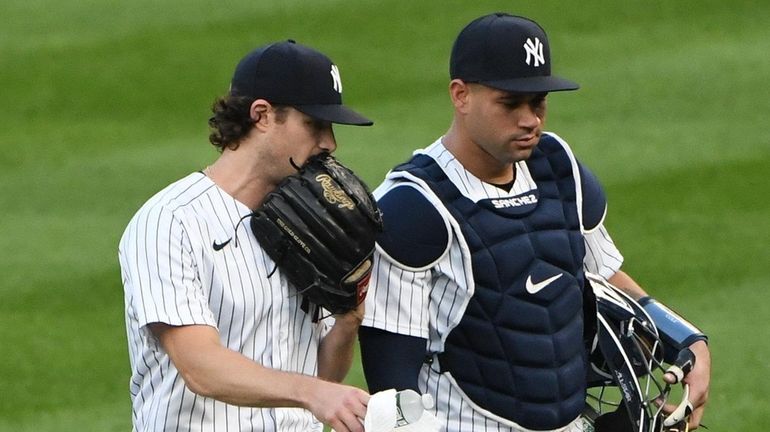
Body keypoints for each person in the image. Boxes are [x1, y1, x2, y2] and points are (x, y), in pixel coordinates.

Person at [358, 13, 711, 432]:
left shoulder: (558, 168)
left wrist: (687, 340)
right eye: (510, 104)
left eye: (538, 101)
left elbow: (606, 278)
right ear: (460, 95)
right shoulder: (412, 208)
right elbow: (393, 387)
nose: (531, 120)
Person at [118, 40, 374, 432]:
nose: (330, 143)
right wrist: (311, 392)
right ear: (263, 115)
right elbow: (200, 366)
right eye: (315, 124)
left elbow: (322, 376)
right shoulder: (171, 221)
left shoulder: (309, 225)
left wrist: (348, 318)